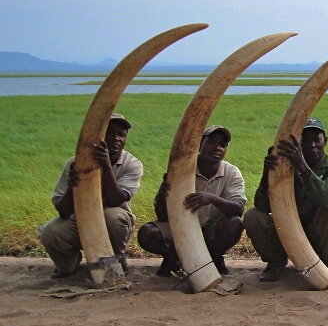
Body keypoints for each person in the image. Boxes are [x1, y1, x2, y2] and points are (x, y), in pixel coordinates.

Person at [39, 113, 143, 279]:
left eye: (121, 134)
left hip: (112, 221)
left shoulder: (132, 164)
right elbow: (63, 212)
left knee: (112, 216)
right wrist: (73, 186)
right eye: (110, 133)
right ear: (99, 137)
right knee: (50, 231)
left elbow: (116, 200)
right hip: (80, 219)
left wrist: (106, 165)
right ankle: (68, 264)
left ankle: (116, 256)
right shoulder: (76, 162)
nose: (116, 138)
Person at [137, 125, 245, 277]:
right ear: (199, 144)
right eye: (211, 142)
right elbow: (162, 215)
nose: (217, 148)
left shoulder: (231, 172)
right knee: (148, 233)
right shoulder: (181, 169)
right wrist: (163, 194)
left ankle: (214, 257)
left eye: (222, 144)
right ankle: (173, 258)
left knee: (234, 224)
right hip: (180, 228)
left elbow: (238, 208)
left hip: (210, 230)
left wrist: (211, 198)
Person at [243, 118, 328, 282]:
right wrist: (268, 172)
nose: (312, 145)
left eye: (316, 140)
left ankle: (326, 265)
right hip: (286, 230)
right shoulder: (285, 164)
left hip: (314, 232)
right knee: (253, 216)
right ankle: (275, 263)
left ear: (325, 141)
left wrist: (303, 167)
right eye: (306, 140)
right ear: (298, 142)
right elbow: (262, 205)